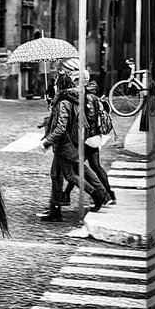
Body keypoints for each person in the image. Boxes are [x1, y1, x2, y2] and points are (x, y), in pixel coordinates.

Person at [36, 60, 111, 222]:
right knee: (60, 173)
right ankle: (56, 208)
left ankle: (97, 194)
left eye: (58, 79)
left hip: (65, 143)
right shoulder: (73, 97)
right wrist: (50, 114)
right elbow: (66, 119)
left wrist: (46, 142)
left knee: (70, 175)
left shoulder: (65, 100)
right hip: (72, 142)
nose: (55, 82)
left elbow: (62, 126)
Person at [60, 69, 116, 205]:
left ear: (81, 81)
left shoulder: (84, 96)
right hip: (95, 137)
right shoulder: (92, 94)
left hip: (87, 138)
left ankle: (101, 195)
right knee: (95, 167)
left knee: (76, 168)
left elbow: (86, 120)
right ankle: (109, 194)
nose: (73, 83)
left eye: (75, 80)